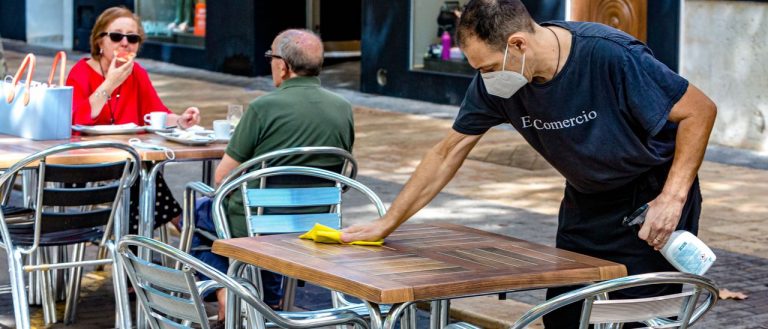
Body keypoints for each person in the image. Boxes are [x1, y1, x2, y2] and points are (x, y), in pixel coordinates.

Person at [341, 0, 716, 328]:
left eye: (488, 67)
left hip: (651, 199)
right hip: (586, 202)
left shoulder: (609, 55)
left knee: (638, 316)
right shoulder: (497, 83)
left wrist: (672, 198)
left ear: (517, 44)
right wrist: (387, 223)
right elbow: (446, 153)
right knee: (566, 314)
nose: (484, 77)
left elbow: (699, 111)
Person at [191, 29, 354, 326]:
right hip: (317, 222)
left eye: (270, 56)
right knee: (252, 219)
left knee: (202, 211)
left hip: (257, 223)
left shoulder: (263, 108)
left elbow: (222, 176)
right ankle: (269, 299)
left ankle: (226, 294)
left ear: (283, 66)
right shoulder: (343, 109)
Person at [66, 6, 201, 234]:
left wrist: (181, 120)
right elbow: (77, 119)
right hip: (88, 163)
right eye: (116, 36)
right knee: (142, 175)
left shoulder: (137, 73)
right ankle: (181, 224)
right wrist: (110, 83)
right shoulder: (81, 72)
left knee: (142, 173)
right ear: (100, 42)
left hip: (129, 163)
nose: (125, 43)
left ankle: (133, 244)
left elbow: (156, 113)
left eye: (132, 38)